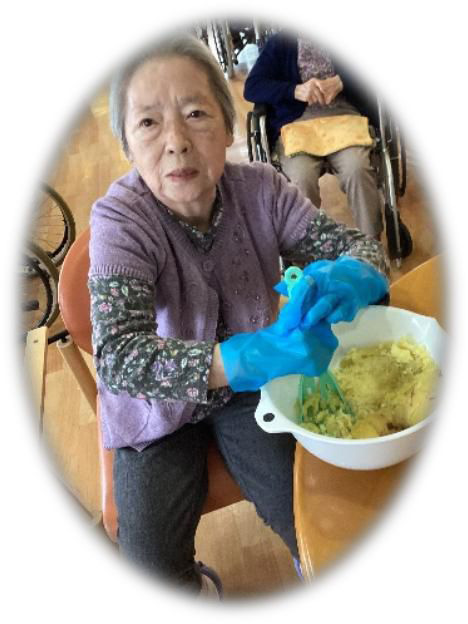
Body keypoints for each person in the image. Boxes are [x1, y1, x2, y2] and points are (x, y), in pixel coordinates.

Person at [88, 33, 389, 598]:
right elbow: (120, 359)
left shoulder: (262, 190)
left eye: (196, 113)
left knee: (311, 516)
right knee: (149, 566)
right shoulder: (119, 222)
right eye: (149, 122)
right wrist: (249, 353)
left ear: (229, 129)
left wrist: (353, 274)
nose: (176, 142)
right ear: (126, 143)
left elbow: (360, 249)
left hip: (251, 395)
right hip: (154, 410)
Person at [244, 31, 383, 239]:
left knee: (357, 169)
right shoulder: (281, 42)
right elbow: (252, 87)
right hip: (297, 122)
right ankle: (309, 250)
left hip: (344, 116)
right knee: (301, 178)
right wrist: (295, 90)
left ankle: (372, 246)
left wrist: (342, 81)